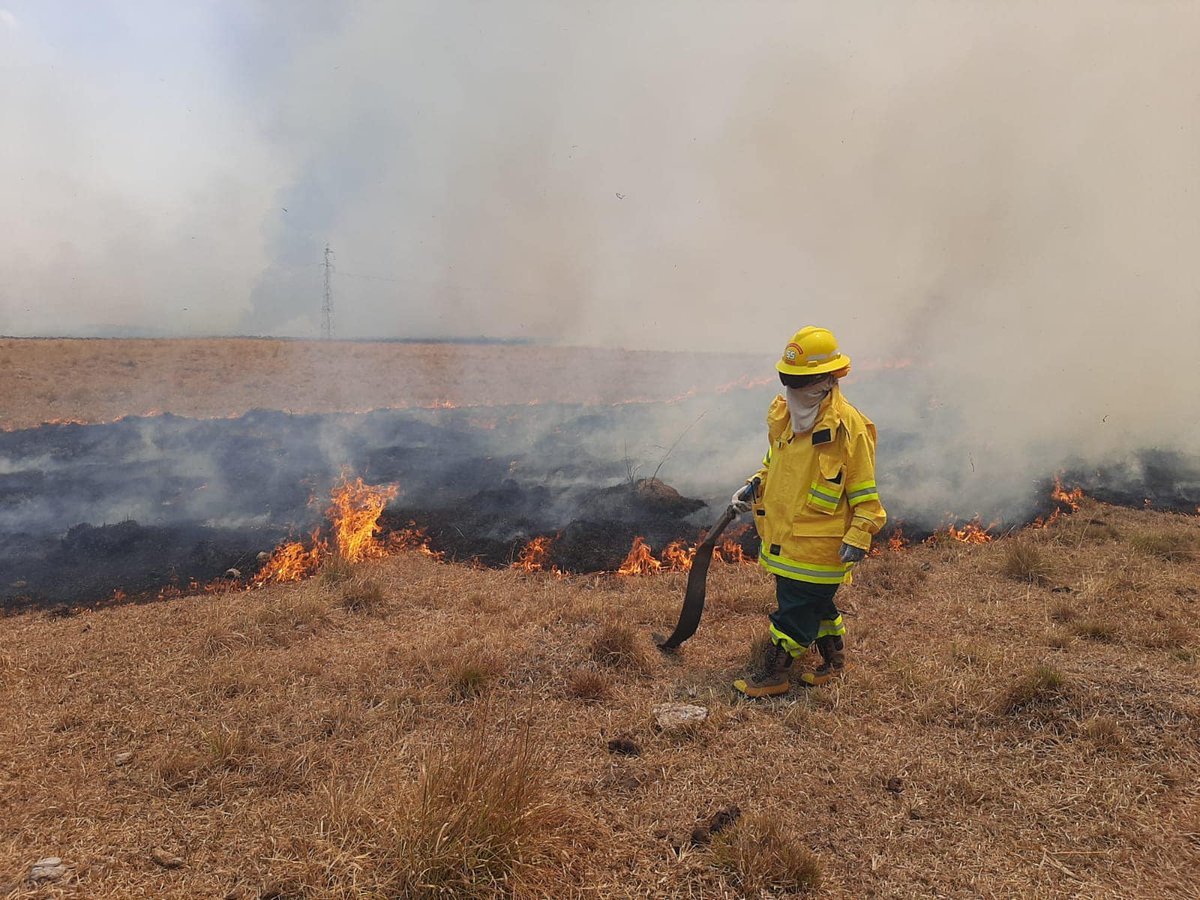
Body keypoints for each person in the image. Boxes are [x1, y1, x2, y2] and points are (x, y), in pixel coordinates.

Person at [731, 326, 886, 698]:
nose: (793, 390)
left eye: (801, 381)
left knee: (794, 611)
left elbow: (866, 492)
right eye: (790, 380)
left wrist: (860, 533)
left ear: (828, 379)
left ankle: (774, 675)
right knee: (816, 604)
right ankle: (833, 663)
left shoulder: (849, 427)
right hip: (785, 541)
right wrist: (754, 482)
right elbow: (774, 464)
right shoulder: (787, 417)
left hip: (821, 550)